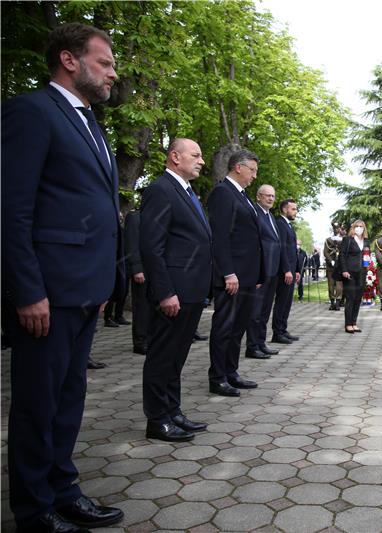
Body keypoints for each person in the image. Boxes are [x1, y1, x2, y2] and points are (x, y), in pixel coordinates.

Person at [1, 22, 124, 531]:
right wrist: (27, 291)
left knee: (69, 399)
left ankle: (62, 488)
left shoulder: (91, 123)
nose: (113, 73)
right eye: (105, 63)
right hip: (46, 292)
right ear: (70, 61)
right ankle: (33, 509)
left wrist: (99, 288)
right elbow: (11, 210)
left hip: (83, 290)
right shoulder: (32, 112)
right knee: (37, 403)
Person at [140, 138, 212, 442]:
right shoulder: (160, 190)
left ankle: (173, 411)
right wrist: (165, 292)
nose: (201, 161)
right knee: (162, 356)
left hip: (192, 291)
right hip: (174, 293)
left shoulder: (186, 191)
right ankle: (157, 419)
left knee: (177, 356)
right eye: (195, 155)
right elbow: (152, 247)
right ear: (174, 157)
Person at [207, 150, 265, 397]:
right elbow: (219, 237)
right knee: (224, 327)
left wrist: (258, 275)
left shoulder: (243, 197)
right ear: (238, 168)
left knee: (238, 327)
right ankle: (217, 377)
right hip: (233, 277)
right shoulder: (223, 193)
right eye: (252, 170)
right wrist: (228, 272)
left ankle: (231, 371)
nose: (254, 176)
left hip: (247, 277)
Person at [244, 184, 282, 360]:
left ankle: (260, 342)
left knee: (265, 309)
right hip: (261, 269)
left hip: (272, 270)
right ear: (258, 196)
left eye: (273, 196)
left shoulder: (271, 217)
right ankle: (252, 346)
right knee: (255, 311)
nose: (270, 199)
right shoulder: (255, 213)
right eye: (267, 195)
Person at [272, 199, 302, 344]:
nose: (296, 212)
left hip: (291, 270)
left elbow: (293, 251)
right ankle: (277, 333)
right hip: (284, 272)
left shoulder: (289, 226)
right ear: (285, 209)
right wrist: (286, 270)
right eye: (293, 209)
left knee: (287, 302)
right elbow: (282, 249)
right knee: (281, 302)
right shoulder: (280, 224)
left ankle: (283, 329)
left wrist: (296, 269)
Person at [124, 209, 151, 355]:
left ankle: (150, 338)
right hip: (142, 269)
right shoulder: (135, 217)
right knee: (141, 306)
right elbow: (131, 245)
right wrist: (136, 268)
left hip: (156, 270)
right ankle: (140, 342)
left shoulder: (155, 217)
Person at [336, 220, 370, 332]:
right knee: (350, 298)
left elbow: (367, 255)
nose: (359, 228)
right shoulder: (347, 240)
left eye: (361, 226)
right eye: (357, 226)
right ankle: (348, 324)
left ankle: (354, 322)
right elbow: (342, 256)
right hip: (349, 273)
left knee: (357, 299)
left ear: (364, 228)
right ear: (353, 228)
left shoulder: (366, 241)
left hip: (361, 273)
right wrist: (344, 270)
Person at [324, 222, 345, 310]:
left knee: (339, 284)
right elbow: (325, 252)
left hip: (340, 266)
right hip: (331, 266)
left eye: (338, 228)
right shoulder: (328, 240)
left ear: (340, 229)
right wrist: (331, 261)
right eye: (334, 228)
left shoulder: (343, 239)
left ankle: (338, 302)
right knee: (331, 284)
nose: (336, 230)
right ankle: (332, 302)